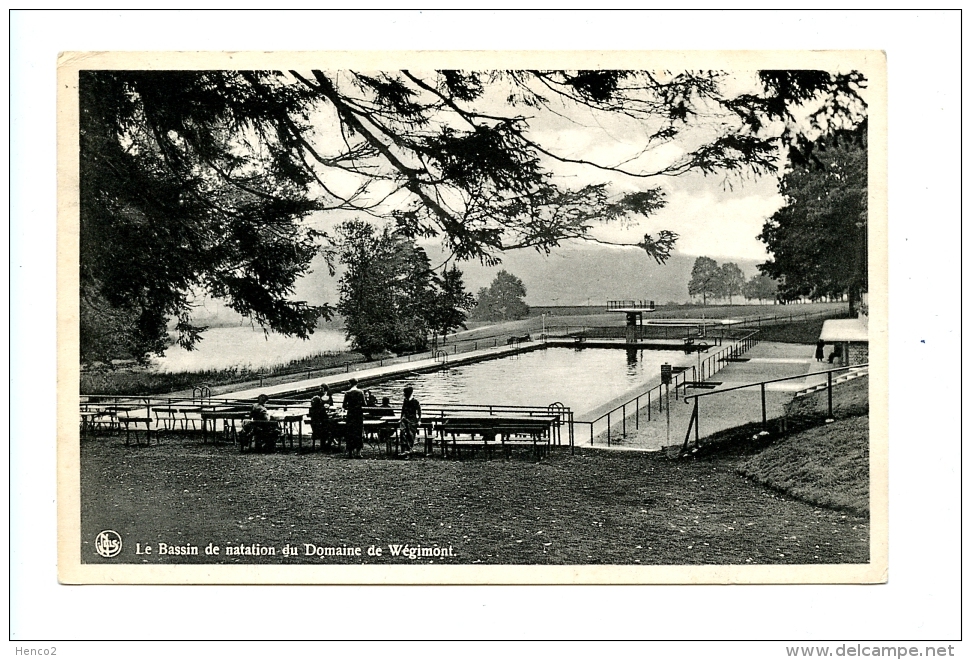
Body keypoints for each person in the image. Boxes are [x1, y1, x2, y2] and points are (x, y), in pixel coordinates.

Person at [342, 379, 366, 458]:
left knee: (350, 432)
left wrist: (350, 406)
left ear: (350, 384)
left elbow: (344, 405)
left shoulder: (347, 393)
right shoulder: (360, 392)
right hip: (358, 414)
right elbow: (364, 403)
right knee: (358, 432)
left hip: (350, 414)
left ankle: (350, 452)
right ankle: (358, 453)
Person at [399, 385, 422, 458]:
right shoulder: (405, 401)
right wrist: (401, 418)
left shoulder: (415, 401)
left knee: (410, 434)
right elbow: (403, 411)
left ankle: (409, 450)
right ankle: (404, 450)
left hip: (412, 420)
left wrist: (419, 420)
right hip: (405, 420)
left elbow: (419, 412)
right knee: (402, 433)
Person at [309, 385, 334, 451]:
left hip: (316, 425)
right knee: (331, 427)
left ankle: (326, 443)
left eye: (321, 388)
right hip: (322, 425)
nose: (320, 390)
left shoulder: (312, 408)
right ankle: (328, 443)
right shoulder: (320, 407)